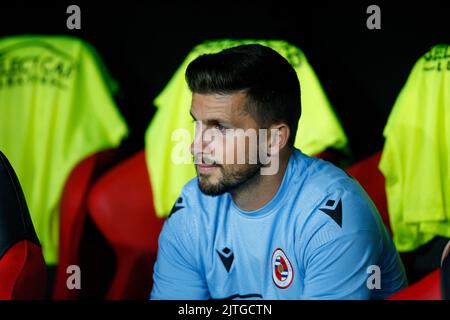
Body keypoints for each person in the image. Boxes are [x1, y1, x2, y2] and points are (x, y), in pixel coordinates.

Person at [150, 44, 407, 300]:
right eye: (197, 123)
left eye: (220, 129)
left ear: (274, 139)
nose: (196, 146)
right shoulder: (193, 206)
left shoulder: (332, 217)